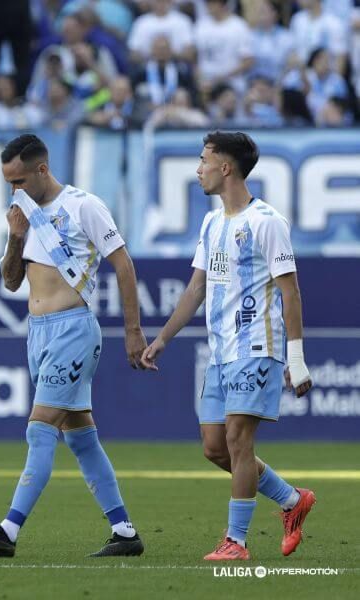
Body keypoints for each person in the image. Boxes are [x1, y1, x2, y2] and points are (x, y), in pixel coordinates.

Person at [0, 134, 147, 559]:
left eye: (20, 180)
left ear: (42, 170)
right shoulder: (23, 215)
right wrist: (15, 237)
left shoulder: (85, 206)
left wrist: (133, 331)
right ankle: (124, 531)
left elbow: (124, 265)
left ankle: (8, 530)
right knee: (80, 438)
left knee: (39, 428)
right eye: (8, 182)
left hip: (73, 330)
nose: (14, 190)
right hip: (38, 333)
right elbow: (12, 282)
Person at [141, 131, 316, 561]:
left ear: (226, 167)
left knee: (239, 439)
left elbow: (290, 292)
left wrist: (296, 358)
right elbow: (196, 288)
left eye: (204, 160)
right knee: (215, 447)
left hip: (257, 345)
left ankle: (235, 542)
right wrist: (163, 338)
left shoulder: (267, 222)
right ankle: (293, 501)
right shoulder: (211, 222)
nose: (197, 169)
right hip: (221, 352)